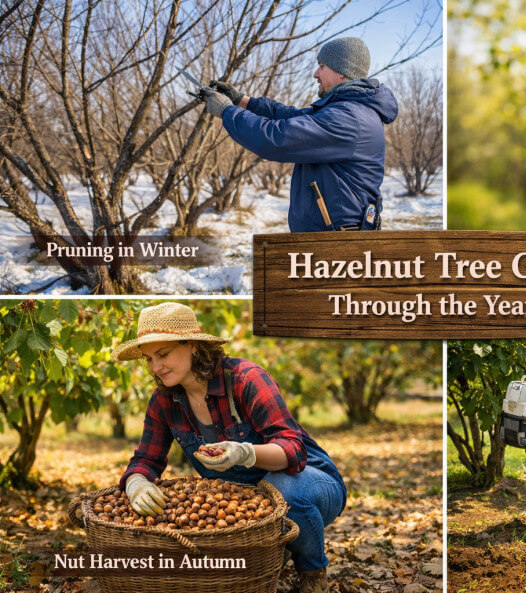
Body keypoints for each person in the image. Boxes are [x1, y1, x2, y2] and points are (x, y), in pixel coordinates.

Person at [113, 302, 346, 593]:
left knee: (283, 490)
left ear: (194, 346)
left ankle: (312, 572)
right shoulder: (164, 402)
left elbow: (293, 450)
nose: (155, 367)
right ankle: (278, 547)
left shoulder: (245, 379)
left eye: (163, 354)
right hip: (247, 503)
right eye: (148, 359)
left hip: (310, 481)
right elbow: (146, 459)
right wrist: (136, 483)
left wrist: (245, 453)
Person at [199, 37, 398, 232]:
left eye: (321, 66)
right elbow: (289, 115)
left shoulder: (347, 118)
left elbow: (276, 138)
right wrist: (241, 100)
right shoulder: (347, 110)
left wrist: (226, 111)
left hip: (337, 243)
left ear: (343, 72)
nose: (315, 74)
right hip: (333, 234)